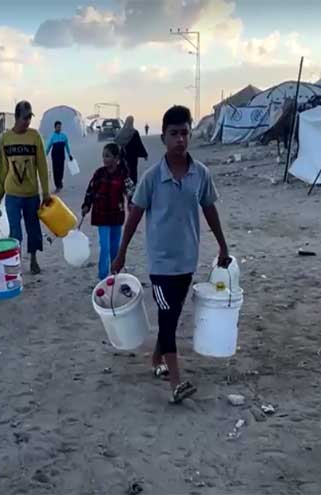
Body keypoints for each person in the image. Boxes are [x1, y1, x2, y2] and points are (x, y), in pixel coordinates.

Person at [111, 105, 231, 404]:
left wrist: (223, 245)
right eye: (174, 134)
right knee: (167, 316)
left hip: (187, 260)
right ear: (163, 137)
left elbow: (209, 209)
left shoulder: (200, 174)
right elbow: (134, 216)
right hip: (161, 264)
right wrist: (121, 252)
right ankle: (176, 382)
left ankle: (156, 359)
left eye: (185, 133)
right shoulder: (151, 178)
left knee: (173, 314)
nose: (180, 139)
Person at [0, 101, 52, 275]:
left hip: (31, 194)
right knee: (15, 231)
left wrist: (46, 192)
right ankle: (15, 262)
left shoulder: (34, 136)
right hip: (12, 194)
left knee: (33, 229)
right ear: (17, 117)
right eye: (25, 117)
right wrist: (0, 192)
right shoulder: (5, 138)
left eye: (30, 117)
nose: (28, 121)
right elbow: (3, 168)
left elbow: (42, 166)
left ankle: (33, 260)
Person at [81, 143, 134, 280]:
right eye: (103, 156)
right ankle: (103, 277)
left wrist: (131, 203)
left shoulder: (123, 174)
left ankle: (115, 274)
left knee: (115, 247)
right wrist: (86, 205)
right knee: (104, 247)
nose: (104, 159)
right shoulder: (99, 173)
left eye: (108, 156)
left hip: (117, 215)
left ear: (116, 158)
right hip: (101, 215)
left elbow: (131, 191)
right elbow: (91, 190)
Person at [115, 116, 149, 185]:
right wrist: (144, 154)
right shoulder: (134, 132)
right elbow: (139, 144)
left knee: (123, 170)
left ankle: (123, 185)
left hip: (123, 155)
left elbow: (116, 140)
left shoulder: (121, 131)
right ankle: (132, 187)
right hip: (133, 156)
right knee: (133, 172)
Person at [44, 121, 74, 193]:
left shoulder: (64, 136)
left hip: (61, 155)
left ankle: (60, 182)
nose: (59, 128)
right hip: (55, 156)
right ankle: (57, 185)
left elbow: (67, 146)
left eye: (60, 126)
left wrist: (69, 154)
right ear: (55, 127)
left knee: (61, 170)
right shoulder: (52, 136)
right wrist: (45, 155)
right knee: (56, 171)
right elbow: (48, 147)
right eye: (57, 127)